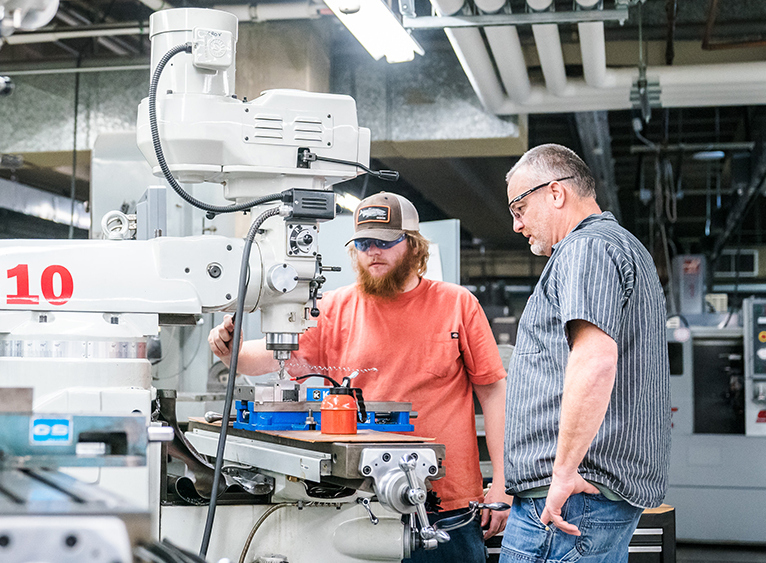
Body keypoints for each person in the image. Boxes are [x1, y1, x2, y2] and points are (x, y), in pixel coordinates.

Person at [208, 192, 510, 563]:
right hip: (361, 499)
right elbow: (273, 356)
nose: (373, 252)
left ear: (414, 247)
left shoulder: (457, 304)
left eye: (385, 243)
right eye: (364, 244)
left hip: (445, 504)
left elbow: (494, 392)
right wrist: (232, 351)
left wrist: (503, 482)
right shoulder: (336, 307)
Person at [500, 144, 670, 563]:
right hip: (589, 493)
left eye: (520, 209)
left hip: (572, 496)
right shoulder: (624, 247)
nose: (517, 226)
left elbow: (594, 361)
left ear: (555, 193)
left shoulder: (586, 248)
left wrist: (561, 474)